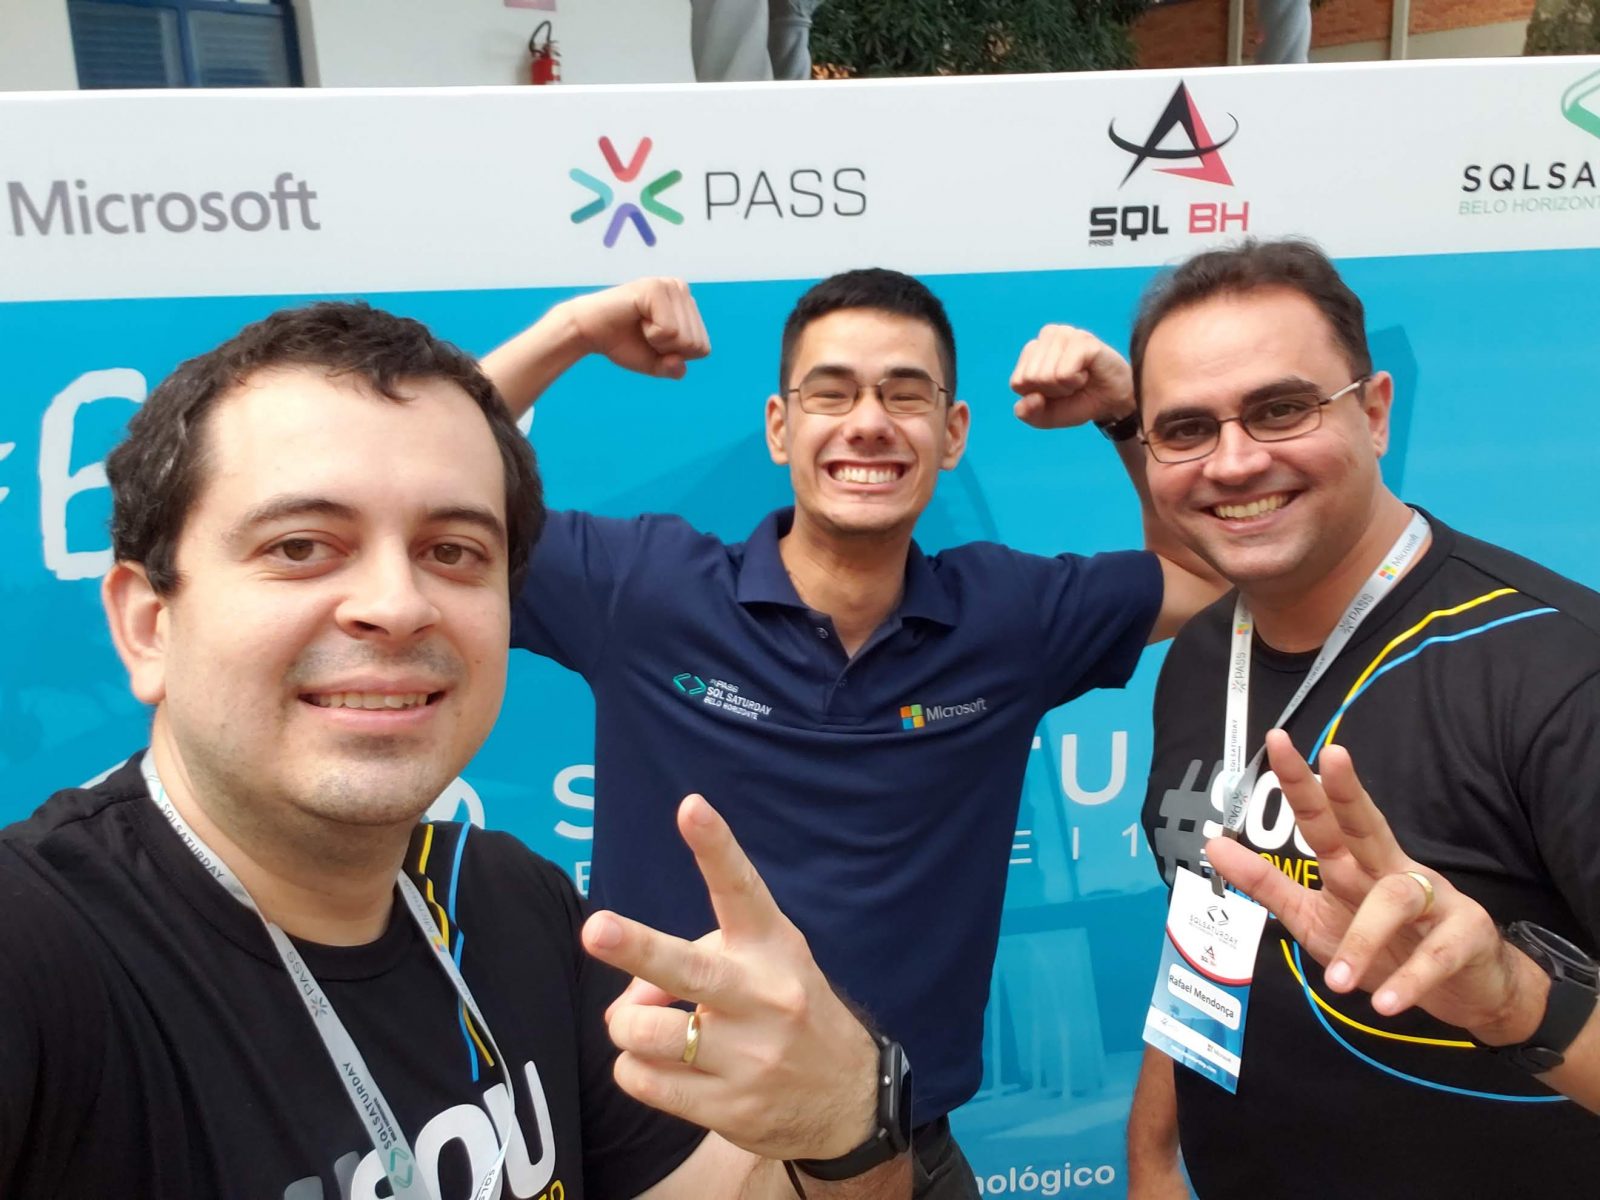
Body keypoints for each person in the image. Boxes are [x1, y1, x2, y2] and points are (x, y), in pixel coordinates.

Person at [0, 301, 912, 1199]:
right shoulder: (38, 953)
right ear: (149, 625)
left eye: (453, 551)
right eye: (302, 546)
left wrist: (844, 1124)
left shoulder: (512, 907)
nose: (397, 605)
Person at [481, 269, 1224, 1195]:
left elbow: (1208, 576)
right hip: (668, 1153)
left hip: (900, 1152)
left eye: (905, 394)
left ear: (952, 433)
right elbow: (433, 495)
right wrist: (570, 330)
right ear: (779, 428)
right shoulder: (646, 589)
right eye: (831, 393)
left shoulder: (1009, 616)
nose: (868, 423)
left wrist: (1125, 417)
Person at [1125, 239, 1600, 1198]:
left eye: (1281, 409)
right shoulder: (1202, 656)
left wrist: (1513, 1001)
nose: (1234, 461)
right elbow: (1208, 923)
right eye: (1186, 429)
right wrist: (1152, 1155)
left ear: (1375, 412)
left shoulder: (1560, 672)